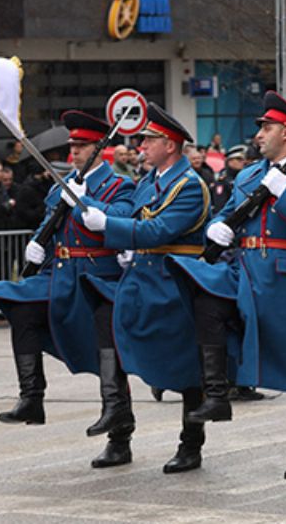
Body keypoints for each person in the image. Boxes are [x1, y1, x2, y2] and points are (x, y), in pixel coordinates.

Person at [168, 92, 286, 479]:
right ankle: (216, 396)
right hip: (245, 271)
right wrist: (220, 227)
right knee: (206, 302)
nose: (259, 134)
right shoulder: (248, 175)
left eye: (266, 127)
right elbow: (232, 215)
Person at [0, 111, 135, 450]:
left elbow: (121, 218)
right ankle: (31, 396)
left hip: (99, 279)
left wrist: (84, 202)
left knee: (106, 338)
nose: (73, 153)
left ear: (98, 149)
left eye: (81, 146)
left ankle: (117, 418)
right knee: (20, 307)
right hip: (61, 276)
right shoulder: (60, 188)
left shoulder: (119, 185)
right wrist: (37, 243)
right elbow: (50, 225)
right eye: (72, 146)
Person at [82, 102, 212, 473]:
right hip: (140, 280)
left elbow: (156, 231)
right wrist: (82, 200)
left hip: (173, 284)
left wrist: (105, 223)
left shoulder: (189, 186)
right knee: (109, 337)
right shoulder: (150, 181)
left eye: (149, 140)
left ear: (169, 145)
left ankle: (191, 444)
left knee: (188, 368)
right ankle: (119, 429)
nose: (141, 145)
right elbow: (129, 216)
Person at [210, 144, 247, 214]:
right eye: (239, 159)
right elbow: (220, 207)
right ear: (229, 161)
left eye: (243, 159)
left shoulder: (243, 177)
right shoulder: (222, 182)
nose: (243, 162)